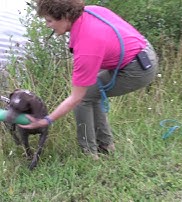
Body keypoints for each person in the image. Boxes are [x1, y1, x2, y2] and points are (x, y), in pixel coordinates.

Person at [19, 0, 158, 160]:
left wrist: (45, 121)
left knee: (84, 97)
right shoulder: (91, 11)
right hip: (144, 51)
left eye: (49, 20)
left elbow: (75, 99)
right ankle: (106, 145)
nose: (47, 25)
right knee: (92, 92)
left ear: (65, 17)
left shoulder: (87, 45)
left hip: (138, 69)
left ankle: (89, 153)